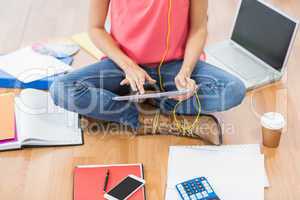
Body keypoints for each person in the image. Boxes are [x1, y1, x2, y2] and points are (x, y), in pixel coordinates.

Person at [50, 0, 246, 145]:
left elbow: (198, 28)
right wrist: (128, 65)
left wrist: (186, 71)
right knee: (61, 88)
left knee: (233, 89)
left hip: (175, 67)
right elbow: (95, 28)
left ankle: (159, 101)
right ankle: (141, 117)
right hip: (123, 67)